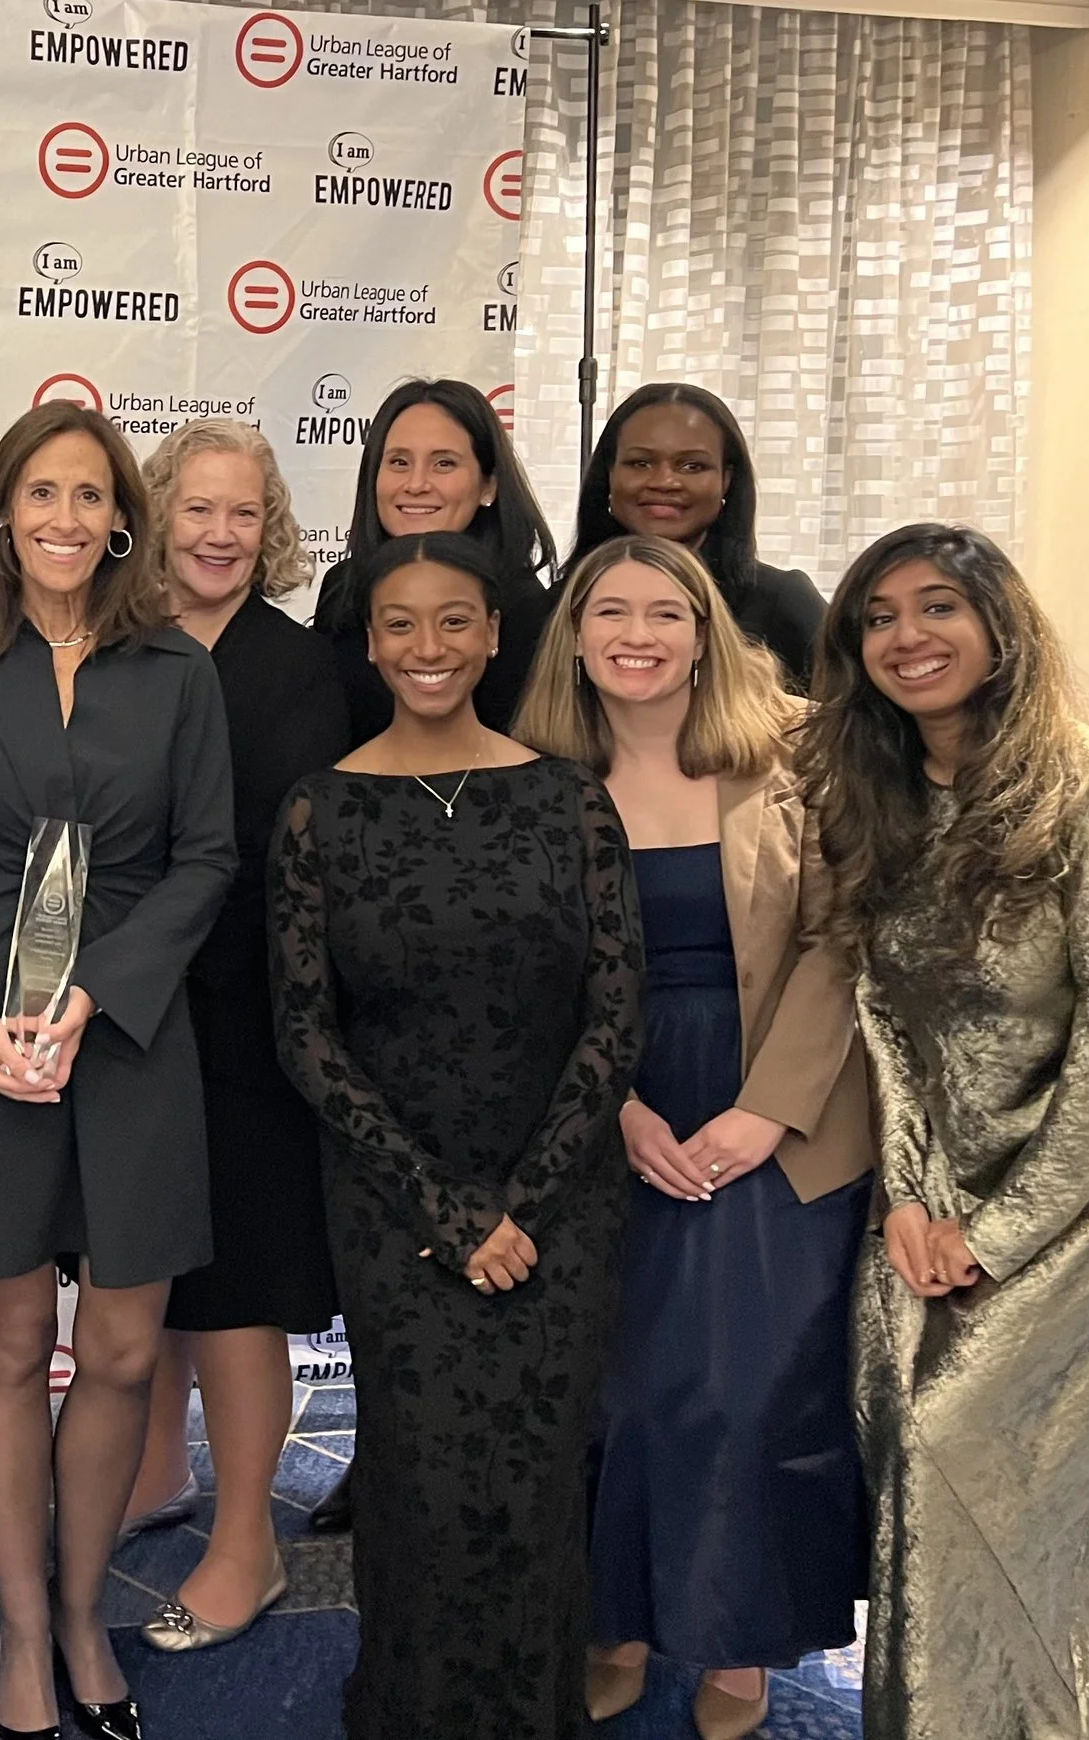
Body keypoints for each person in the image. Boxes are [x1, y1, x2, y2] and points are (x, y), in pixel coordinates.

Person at [795, 523, 1089, 1740]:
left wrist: (999, 1232)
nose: (906, 637)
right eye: (877, 617)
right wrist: (916, 1198)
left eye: (938, 607)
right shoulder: (873, 787)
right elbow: (885, 1008)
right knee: (892, 1392)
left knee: (967, 1433)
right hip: (952, 1133)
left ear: (998, 627)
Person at [0, 403, 236, 1740]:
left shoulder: (176, 673)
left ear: (121, 516)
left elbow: (208, 858)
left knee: (127, 1346)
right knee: (10, 1340)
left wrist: (100, 998)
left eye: (92, 496)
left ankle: (85, 1608)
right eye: (43, 495)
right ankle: (24, 1627)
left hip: (130, 1038)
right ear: (4, 514)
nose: (67, 519)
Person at [269, 530, 642, 1740]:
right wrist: (450, 1211)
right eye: (398, 623)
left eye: (451, 622)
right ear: (368, 642)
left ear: (491, 636)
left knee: (538, 1484)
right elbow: (306, 1037)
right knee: (421, 1484)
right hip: (395, 1214)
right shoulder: (318, 812)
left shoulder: (569, 800)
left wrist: (521, 1204)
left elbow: (614, 1016)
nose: (425, 647)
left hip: (561, 1209)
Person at [516, 534, 872, 1740]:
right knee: (612, 1389)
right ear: (572, 635)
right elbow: (523, 970)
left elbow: (841, 937)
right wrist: (606, 1110)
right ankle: (612, 1617)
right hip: (604, 1100)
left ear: (705, 628)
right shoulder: (532, 773)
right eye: (606, 611)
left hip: (774, 1098)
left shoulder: (792, 755)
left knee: (750, 1387)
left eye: (663, 612)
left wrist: (765, 1110)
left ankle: (739, 1635)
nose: (634, 634)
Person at [115, 421, 348, 1651]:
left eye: (242, 514)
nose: (217, 534)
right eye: (195, 510)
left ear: (272, 531)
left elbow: (298, 863)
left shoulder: (303, 670)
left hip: (252, 1017)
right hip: (125, 1012)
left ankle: (246, 1542)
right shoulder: (114, 647)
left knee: (239, 1283)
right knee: (143, 1265)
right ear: (156, 519)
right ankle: (151, 1475)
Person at [310, 378, 557, 747]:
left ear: (488, 486)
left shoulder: (527, 609)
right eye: (398, 462)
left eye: (444, 463)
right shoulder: (342, 588)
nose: (416, 483)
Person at [567, 383, 826, 687]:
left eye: (692, 466)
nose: (664, 481)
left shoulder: (782, 604)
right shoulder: (554, 606)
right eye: (641, 463)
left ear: (726, 480)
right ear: (609, 474)